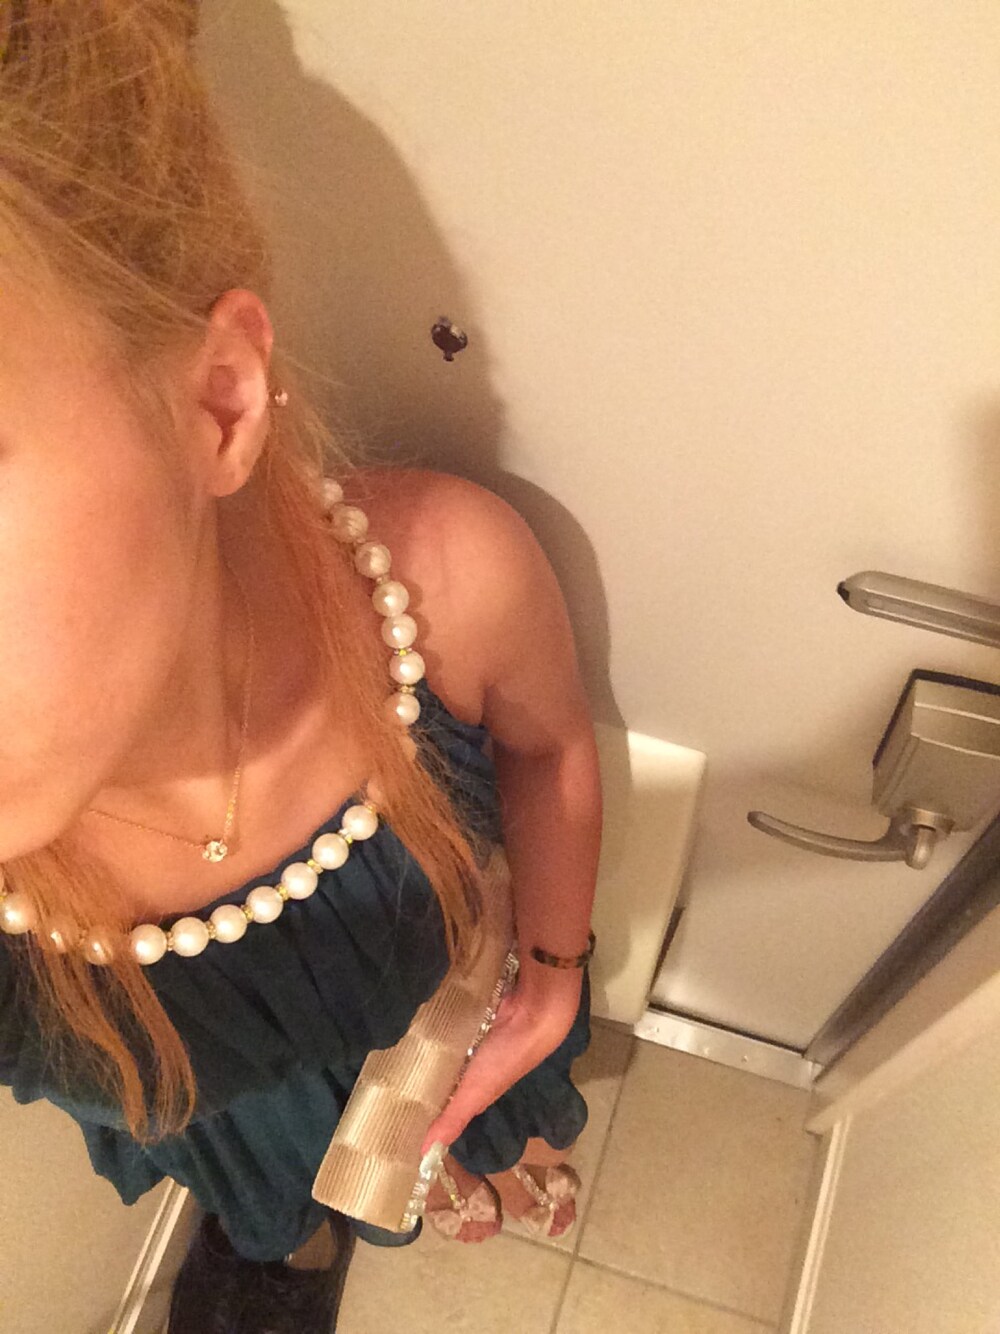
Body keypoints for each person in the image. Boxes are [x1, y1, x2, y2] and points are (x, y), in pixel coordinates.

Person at [0, 4, 602, 1331]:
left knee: (459, 1100)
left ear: (215, 401)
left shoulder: (443, 592)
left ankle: (452, 1151)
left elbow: (552, 746)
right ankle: (292, 1235)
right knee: (270, 1195)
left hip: (439, 1004)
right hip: (228, 1120)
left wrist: (554, 976)